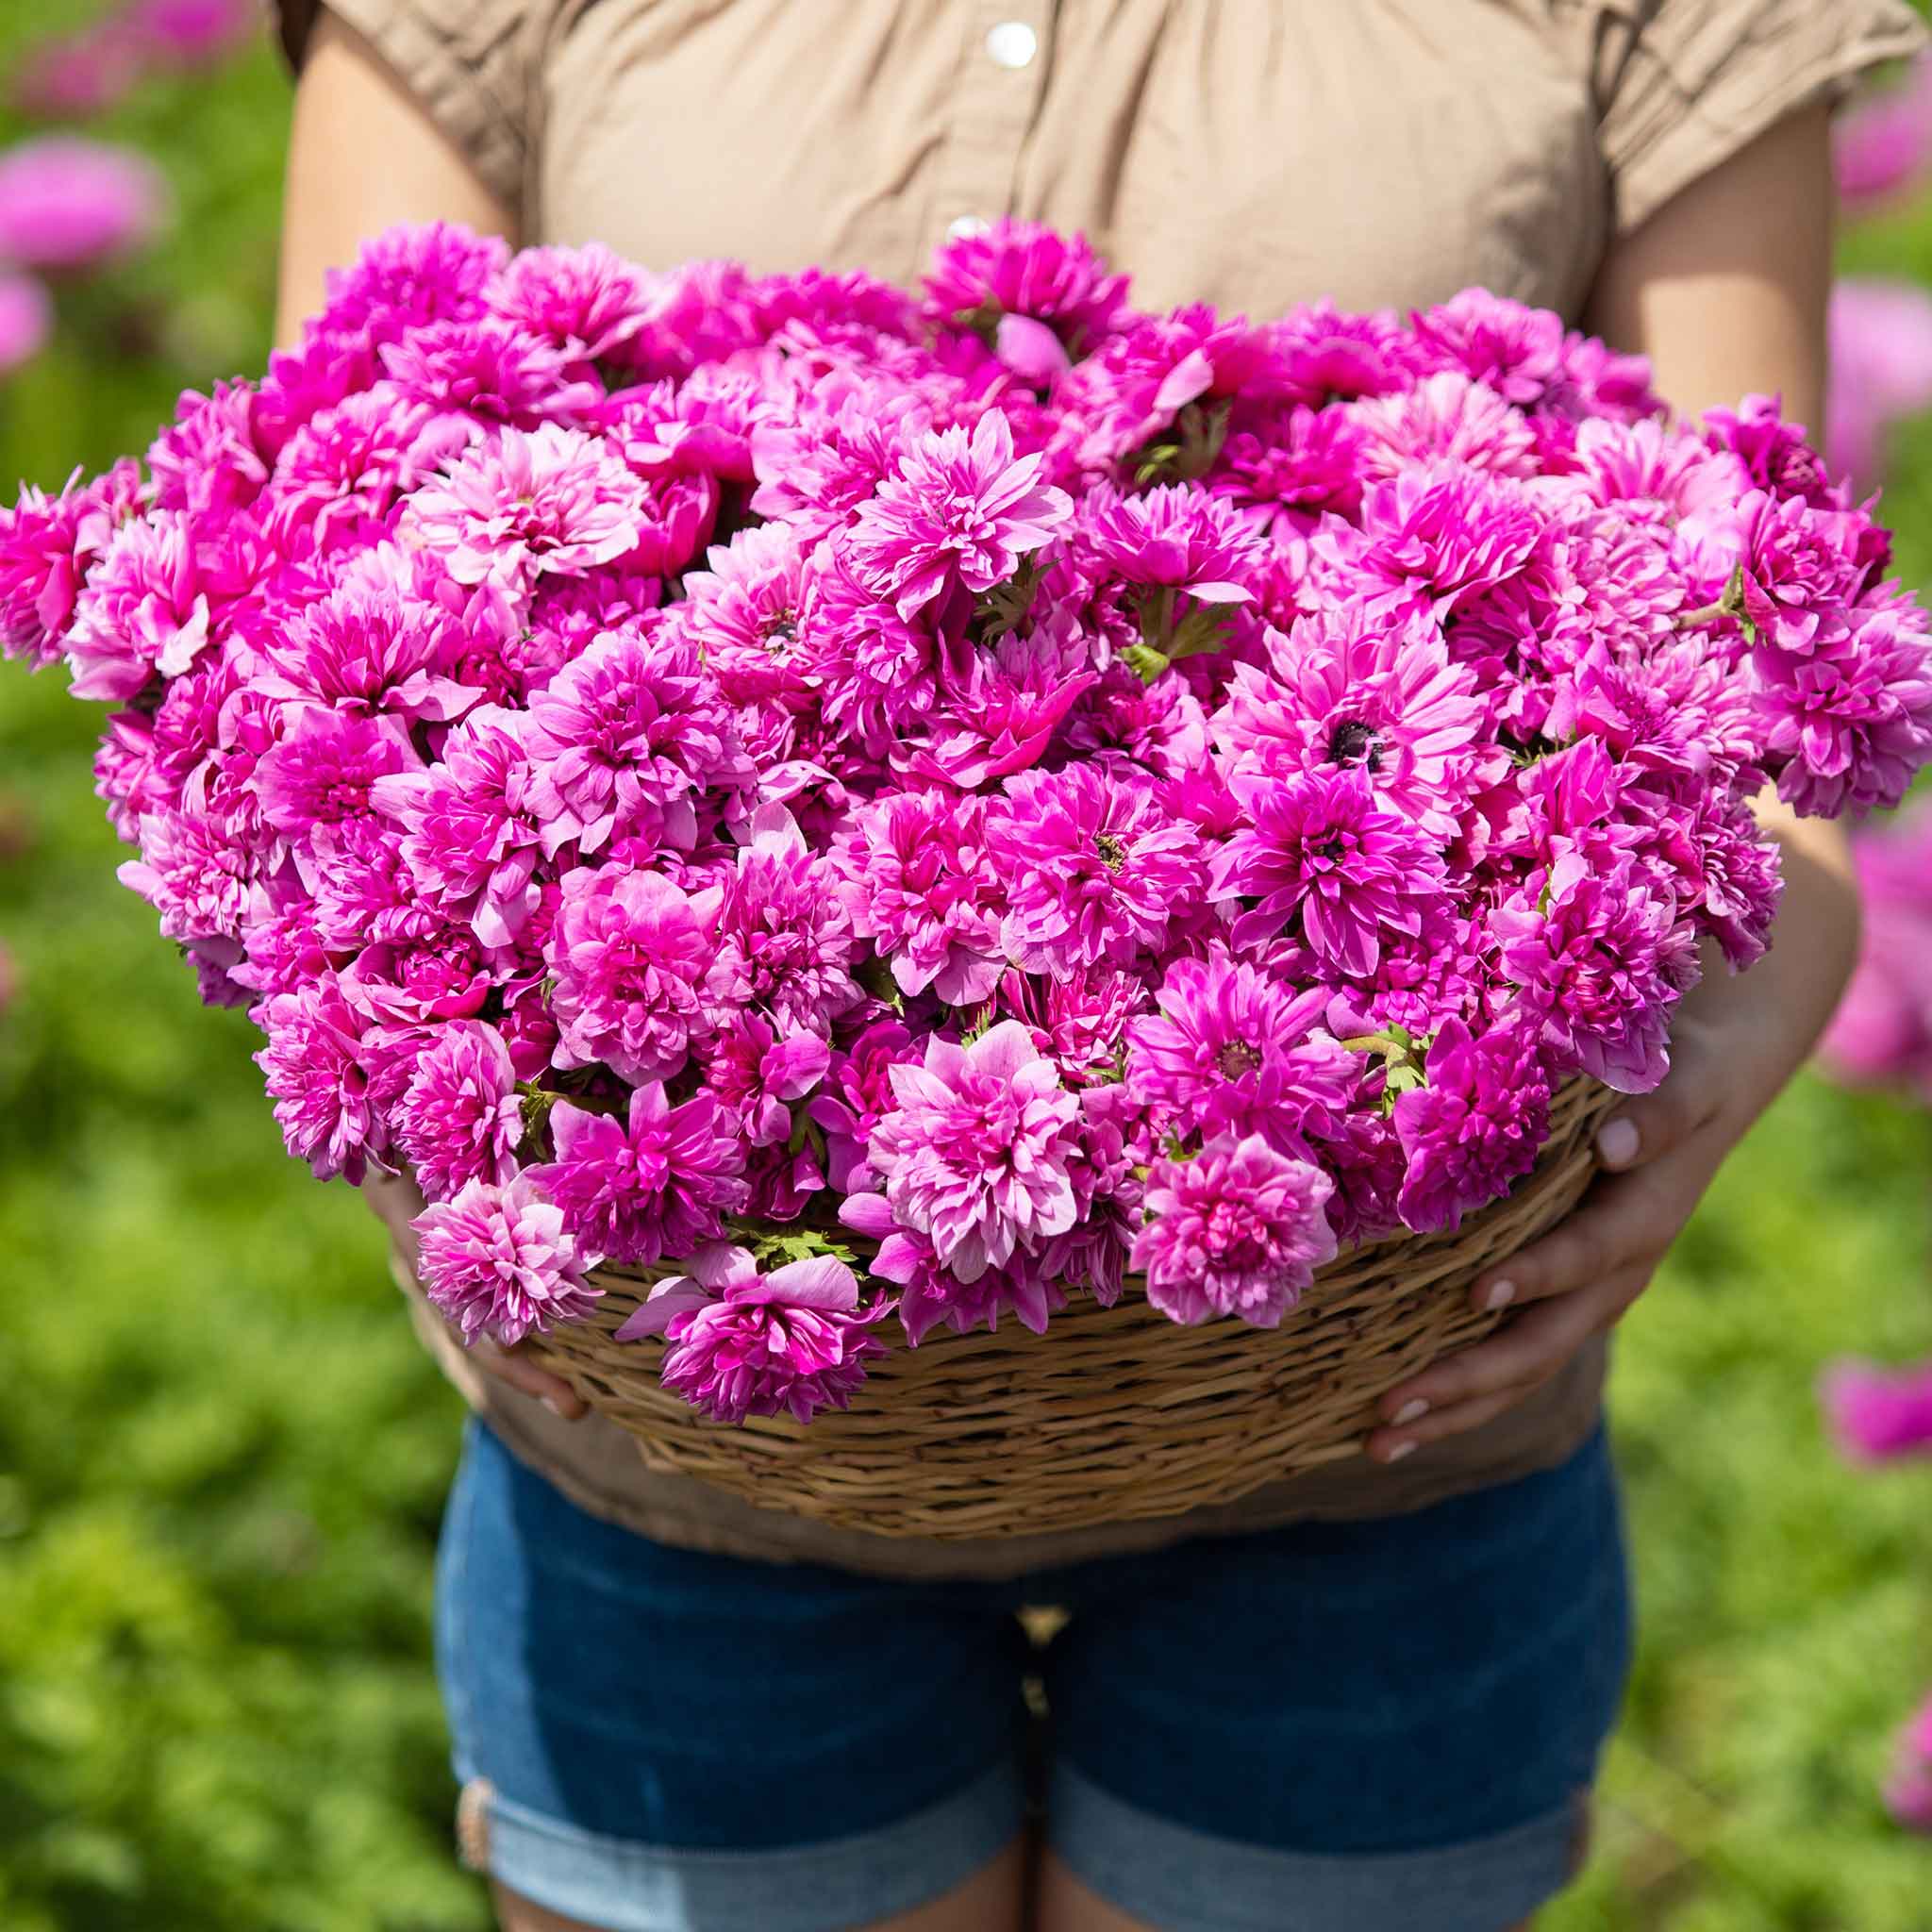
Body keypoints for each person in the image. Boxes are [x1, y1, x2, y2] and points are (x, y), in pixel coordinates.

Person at [269, 5, 1924, 1929]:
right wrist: (423, 1055)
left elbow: (1770, 654)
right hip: (683, 1461)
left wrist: (1711, 1036)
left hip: (1389, 1430)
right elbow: (325, 565)